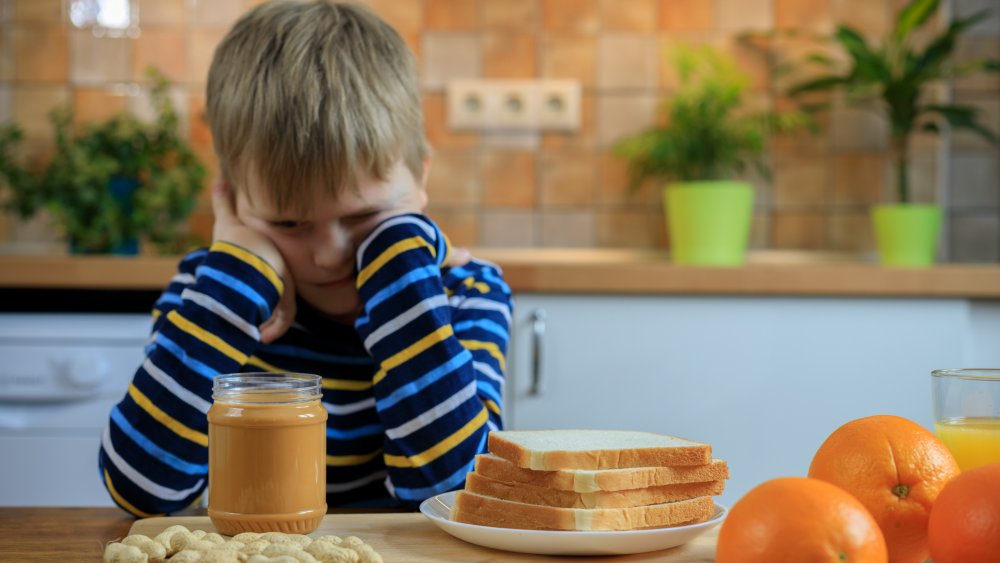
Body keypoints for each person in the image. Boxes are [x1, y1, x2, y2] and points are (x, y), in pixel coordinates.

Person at [98, 0, 511, 515]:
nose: (328, 255)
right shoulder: (214, 293)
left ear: (421, 178)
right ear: (231, 203)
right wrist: (236, 275)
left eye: (367, 217)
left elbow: (458, 493)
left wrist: (400, 260)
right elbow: (142, 490)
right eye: (288, 224)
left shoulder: (466, 294)